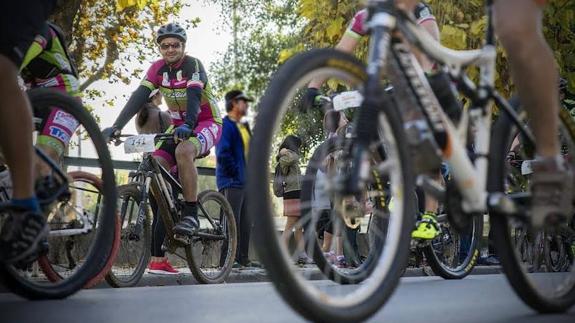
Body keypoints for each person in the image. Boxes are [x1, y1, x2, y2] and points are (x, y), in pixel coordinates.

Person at [304, 2, 444, 241]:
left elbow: (433, 51)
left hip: (423, 83)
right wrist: (313, 86)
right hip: (390, 89)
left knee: (423, 148)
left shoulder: (417, 10)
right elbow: (338, 55)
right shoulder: (364, 17)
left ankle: (430, 217)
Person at [103, 23, 223, 244]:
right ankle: (172, 208)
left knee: (184, 150)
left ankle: (191, 213)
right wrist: (117, 125)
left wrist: (189, 124)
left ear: (183, 46)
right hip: (178, 125)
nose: (170, 49)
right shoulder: (157, 69)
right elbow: (139, 96)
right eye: (165, 46)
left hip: (206, 121)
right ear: (160, 48)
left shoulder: (193, 65)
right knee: (157, 162)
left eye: (175, 45)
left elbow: (195, 96)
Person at [0, 1, 57, 264]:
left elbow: (24, 59)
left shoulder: (45, 34)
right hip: (35, 97)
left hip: (63, 97)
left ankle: (27, 205)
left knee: (2, 67)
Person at [216, 90, 258, 268]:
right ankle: (227, 259)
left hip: (247, 181)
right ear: (234, 103)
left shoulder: (244, 125)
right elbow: (222, 152)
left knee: (246, 221)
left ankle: (243, 258)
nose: (247, 105)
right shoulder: (226, 125)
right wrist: (235, 173)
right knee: (231, 221)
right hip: (232, 181)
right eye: (244, 102)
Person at [278, 135, 312, 264]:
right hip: (291, 193)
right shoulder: (285, 157)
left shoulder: (289, 155)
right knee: (289, 226)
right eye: (297, 146)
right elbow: (293, 159)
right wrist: (285, 151)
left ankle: (302, 255)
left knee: (299, 226)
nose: (298, 149)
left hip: (298, 193)